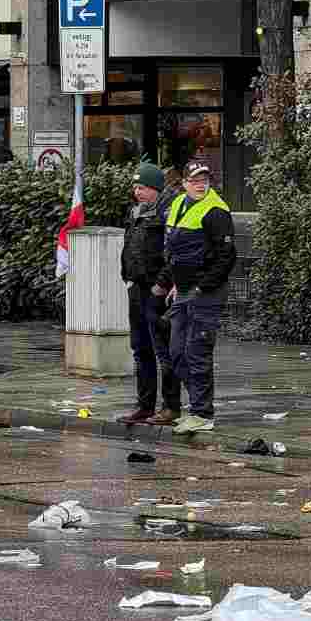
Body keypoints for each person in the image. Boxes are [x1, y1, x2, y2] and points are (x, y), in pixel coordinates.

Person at [154, 161, 237, 434]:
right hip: (184, 289)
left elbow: (226, 258)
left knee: (197, 353)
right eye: (196, 180)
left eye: (205, 179)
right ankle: (198, 405)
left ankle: (202, 413)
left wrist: (201, 287)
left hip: (205, 293)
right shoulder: (179, 204)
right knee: (177, 354)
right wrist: (169, 282)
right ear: (185, 182)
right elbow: (175, 248)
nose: (201, 184)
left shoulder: (216, 211)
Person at [116, 162, 181, 426]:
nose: (137, 192)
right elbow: (131, 246)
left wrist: (162, 285)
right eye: (135, 187)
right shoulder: (137, 212)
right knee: (140, 348)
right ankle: (144, 405)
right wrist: (128, 277)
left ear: (155, 188)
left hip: (158, 290)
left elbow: (172, 252)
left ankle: (170, 407)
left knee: (164, 350)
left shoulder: (168, 211)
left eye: (142, 187)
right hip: (137, 287)